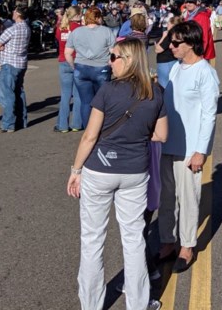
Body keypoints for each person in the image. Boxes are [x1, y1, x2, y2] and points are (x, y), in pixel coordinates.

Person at [67, 38, 167, 310]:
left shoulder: (108, 91)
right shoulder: (155, 92)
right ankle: (138, 303)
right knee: (133, 239)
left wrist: (76, 170)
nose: (109, 62)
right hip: (135, 170)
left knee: (92, 239)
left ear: (129, 60)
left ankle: (91, 304)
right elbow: (160, 134)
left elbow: (90, 136)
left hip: (99, 170)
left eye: (113, 57)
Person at [157, 20, 219, 273]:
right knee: (166, 197)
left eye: (176, 42)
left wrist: (200, 151)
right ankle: (167, 241)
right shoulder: (176, 68)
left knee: (189, 198)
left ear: (191, 44)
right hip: (167, 143)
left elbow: (209, 115)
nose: (170, 46)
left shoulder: (205, 72)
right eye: (171, 41)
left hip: (190, 148)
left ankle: (187, 246)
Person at [65, 6, 118, 130]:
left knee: (85, 102)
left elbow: (68, 53)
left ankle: (88, 130)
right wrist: (111, 64)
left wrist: (74, 66)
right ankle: (101, 129)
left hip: (81, 68)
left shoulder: (76, 32)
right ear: (98, 17)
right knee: (102, 102)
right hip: (101, 68)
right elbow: (113, 52)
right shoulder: (106, 31)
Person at [0, 5, 31, 133]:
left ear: (18, 14)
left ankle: (8, 124)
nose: (12, 13)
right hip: (21, 62)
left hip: (9, 63)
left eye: (14, 11)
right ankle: (21, 120)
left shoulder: (11, 29)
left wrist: (3, 48)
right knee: (19, 92)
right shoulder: (27, 28)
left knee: (7, 94)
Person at [55, 6, 83, 133]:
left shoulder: (60, 28)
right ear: (77, 15)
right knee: (77, 95)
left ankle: (62, 125)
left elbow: (58, 41)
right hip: (76, 60)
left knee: (65, 95)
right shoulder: (79, 28)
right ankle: (77, 123)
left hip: (63, 60)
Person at [176, 0, 216, 67]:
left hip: (199, 54)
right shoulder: (189, 14)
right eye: (187, 2)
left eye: (191, 2)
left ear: (197, 2)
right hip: (190, 51)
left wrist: (199, 55)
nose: (188, 4)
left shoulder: (202, 16)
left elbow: (204, 37)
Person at [153, 13, 182, 89]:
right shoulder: (178, 34)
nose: (167, 26)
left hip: (165, 63)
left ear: (172, 25)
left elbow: (158, 49)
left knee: (164, 87)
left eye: (168, 24)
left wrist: (163, 36)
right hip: (173, 61)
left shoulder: (170, 35)